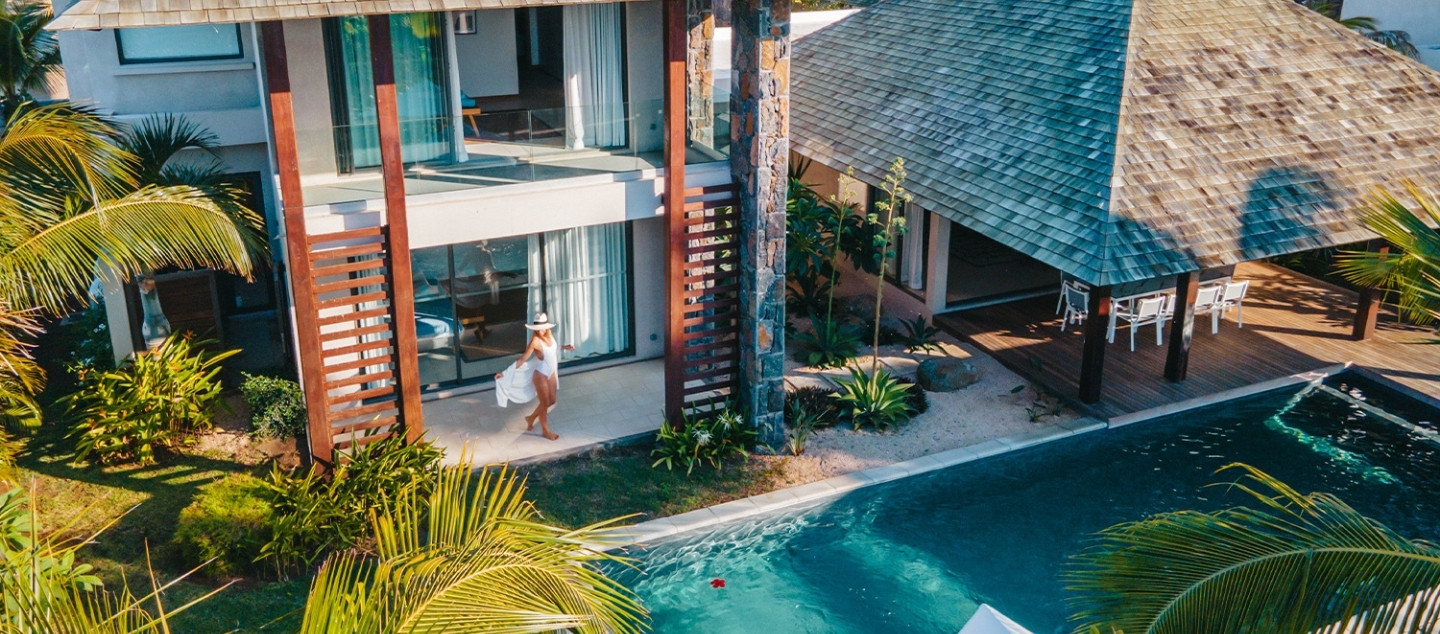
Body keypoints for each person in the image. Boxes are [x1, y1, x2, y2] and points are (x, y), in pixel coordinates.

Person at [495, 312, 573, 441]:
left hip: (552, 372)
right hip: (540, 374)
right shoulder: (534, 341)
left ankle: (530, 418)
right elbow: (522, 359)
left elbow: (553, 348)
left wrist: (565, 347)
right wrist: (504, 373)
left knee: (552, 401)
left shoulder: (549, 335)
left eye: (542, 328)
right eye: (538, 329)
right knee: (544, 403)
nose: (540, 331)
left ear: (547, 327)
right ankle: (545, 430)